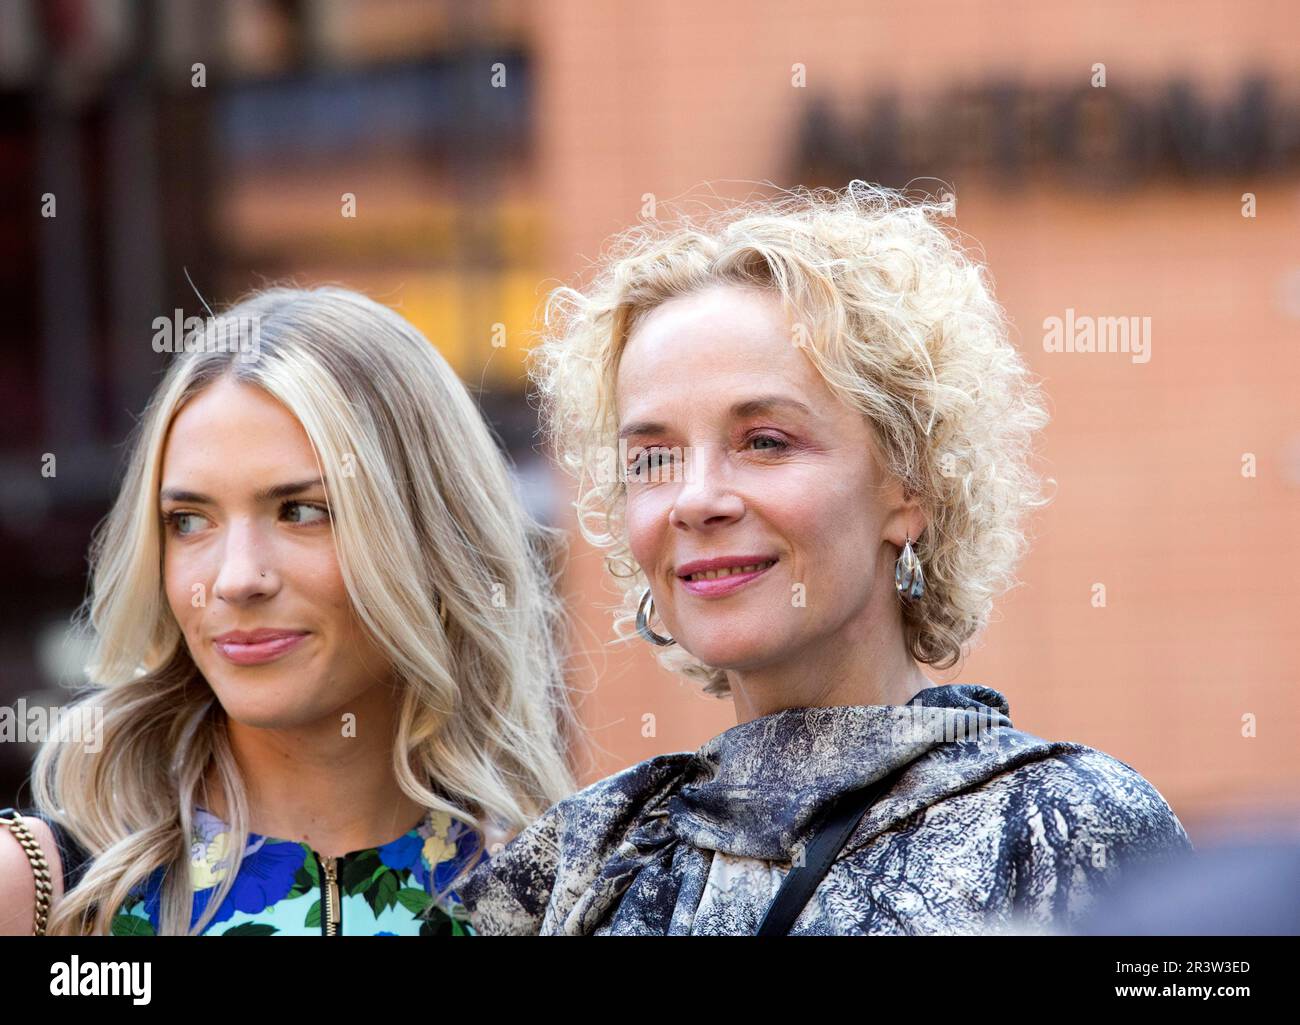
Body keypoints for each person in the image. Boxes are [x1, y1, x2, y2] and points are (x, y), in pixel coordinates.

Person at [460, 181, 1193, 935]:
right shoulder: (577, 867)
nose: (695, 498)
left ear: (910, 488)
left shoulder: (1067, 832)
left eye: (765, 442)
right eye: (653, 458)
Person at [0, 286, 577, 935]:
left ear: (427, 534)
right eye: (188, 520)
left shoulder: (559, 899)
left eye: (301, 510)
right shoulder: (42, 892)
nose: (237, 577)